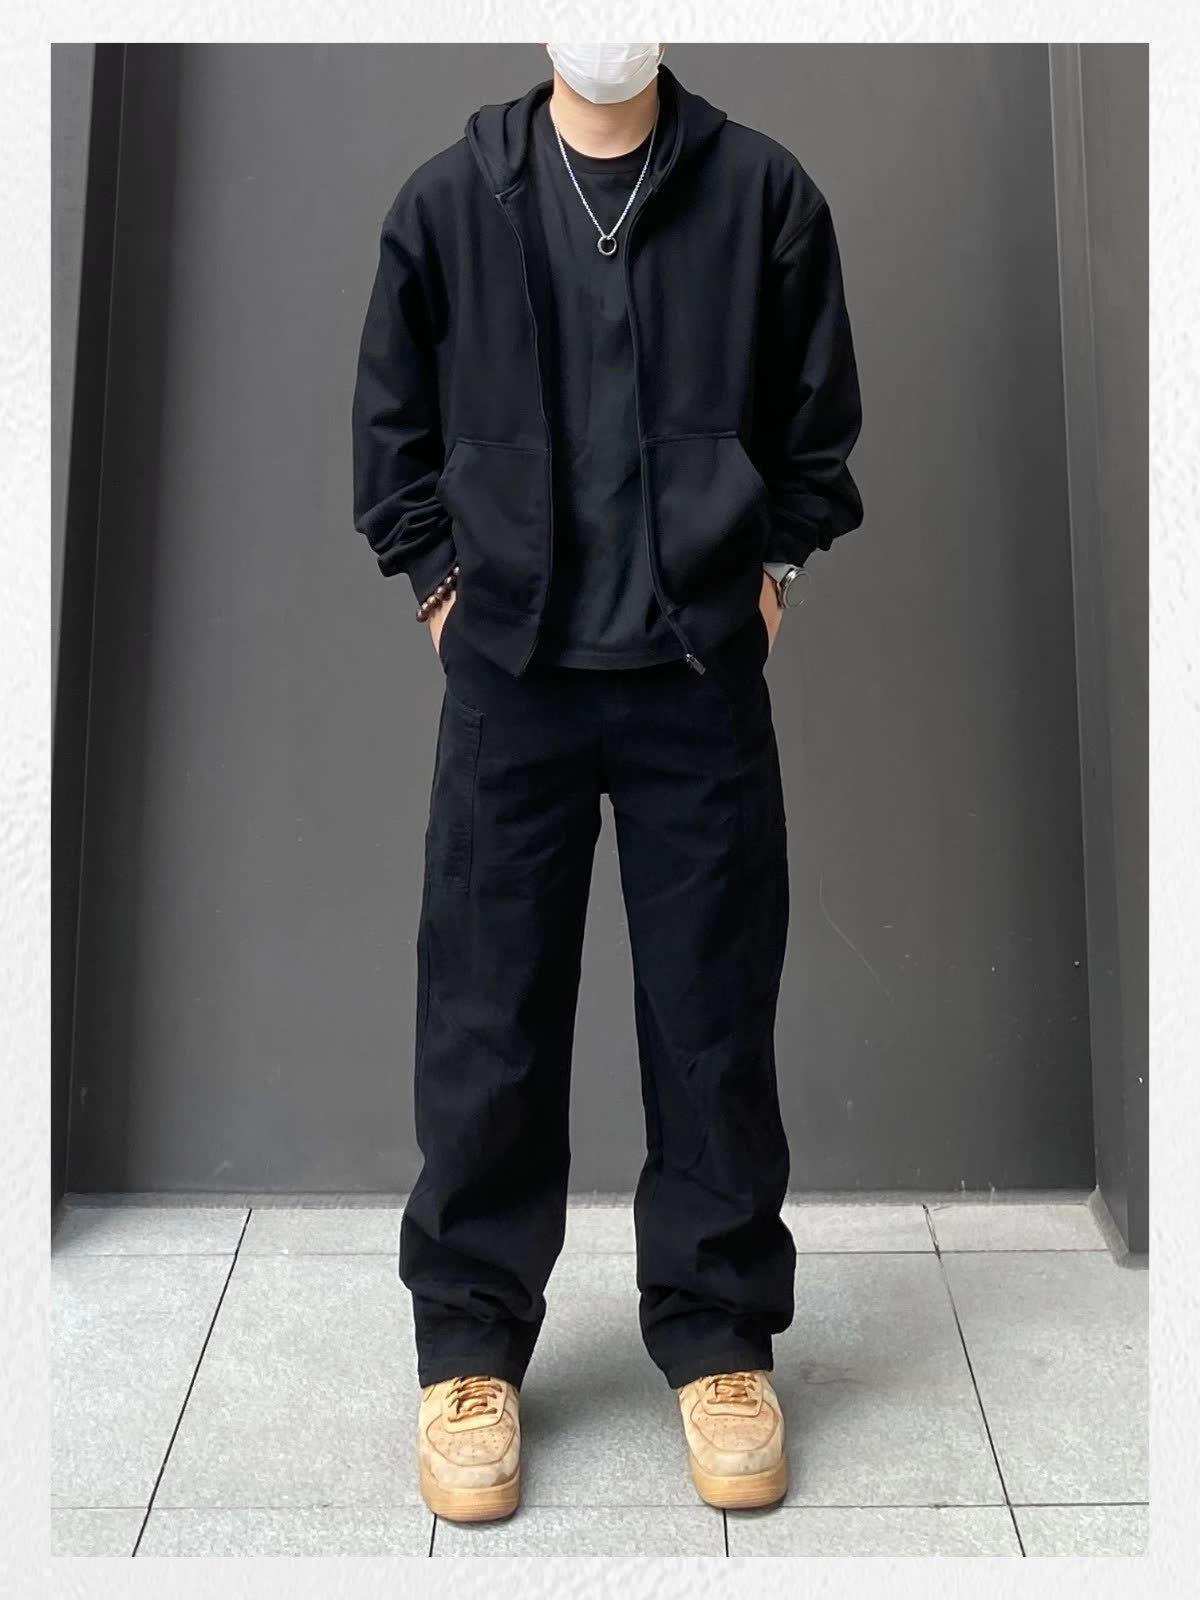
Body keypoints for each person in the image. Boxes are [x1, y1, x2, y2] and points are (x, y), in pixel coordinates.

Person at [351, 42, 863, 1524]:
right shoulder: (448, 203)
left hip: (697, 674)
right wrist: (439, 586)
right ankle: (469, 1350)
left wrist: (770, 572)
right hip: (509, 677)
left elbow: (816, 420)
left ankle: (721, 1338)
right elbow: (390, 428)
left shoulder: (763, 194)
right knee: (486, 1012)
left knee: (713, 1015)